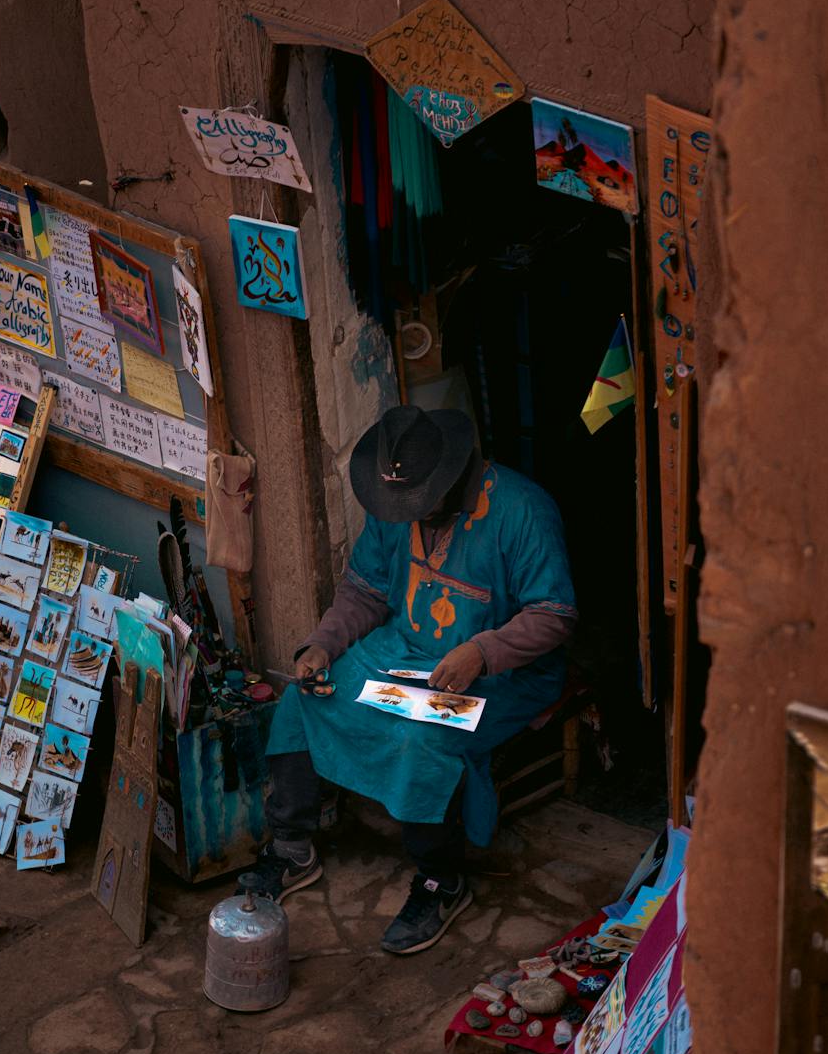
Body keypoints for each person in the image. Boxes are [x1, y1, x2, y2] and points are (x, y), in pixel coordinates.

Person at [238, 404, 577, 955]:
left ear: (452, 475)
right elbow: (366, 591)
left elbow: (554, 614)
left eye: (422, 502)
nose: (409, 513)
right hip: (403, 651)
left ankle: (441, 879)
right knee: (306, 699)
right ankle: (293, 844)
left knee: (422, 737)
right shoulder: (397, 504)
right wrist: (322, 644)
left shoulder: (524, 511)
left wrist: (482, 652)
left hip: (501, 671)